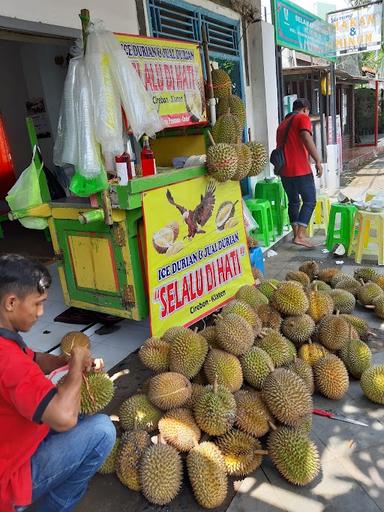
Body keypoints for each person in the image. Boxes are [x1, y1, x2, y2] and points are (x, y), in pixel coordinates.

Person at [0, 254, 116, 512]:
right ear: (11, 302)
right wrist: (75, 368)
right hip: (9, 480)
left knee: (81, 417)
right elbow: (64, 417)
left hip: (11, 442)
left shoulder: (7, 342)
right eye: (38, 304)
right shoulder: (9, 362)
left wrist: (64, 360)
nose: (42, 313)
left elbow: (36, 358)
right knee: (102, 430)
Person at [276, 98, 323, 248]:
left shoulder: (283, 124)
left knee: (294, 201)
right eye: (308, 112)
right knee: (309, 201)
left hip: (284, 170)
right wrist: (318, 160)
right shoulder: (302, 118)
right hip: (300, 169)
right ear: (305, 109)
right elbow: (306, 138)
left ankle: (296, 233)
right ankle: (301, 236)